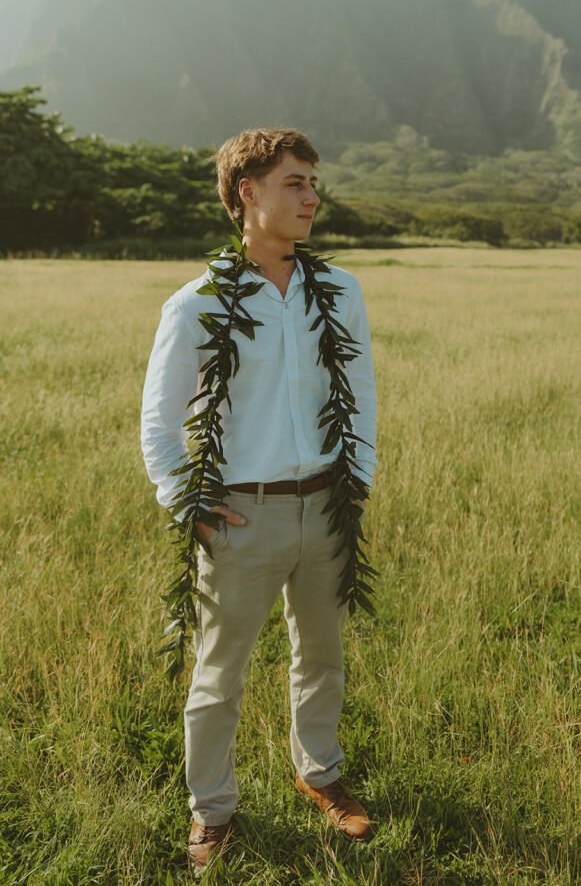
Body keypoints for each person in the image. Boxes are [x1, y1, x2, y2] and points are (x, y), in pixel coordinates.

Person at [140, 128, 378, 877]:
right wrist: (188, 503)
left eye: (313, 183)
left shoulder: (337, 289)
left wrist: (357, 481)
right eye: (295, 183)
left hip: (327, 506)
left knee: (323, 657)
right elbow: (158, 418)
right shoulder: (199, 302)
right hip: (240, 512)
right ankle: (211, 811)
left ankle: (321, 774)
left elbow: (361, 394)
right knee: (220, 673)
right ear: (248, 192)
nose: (312, 197)